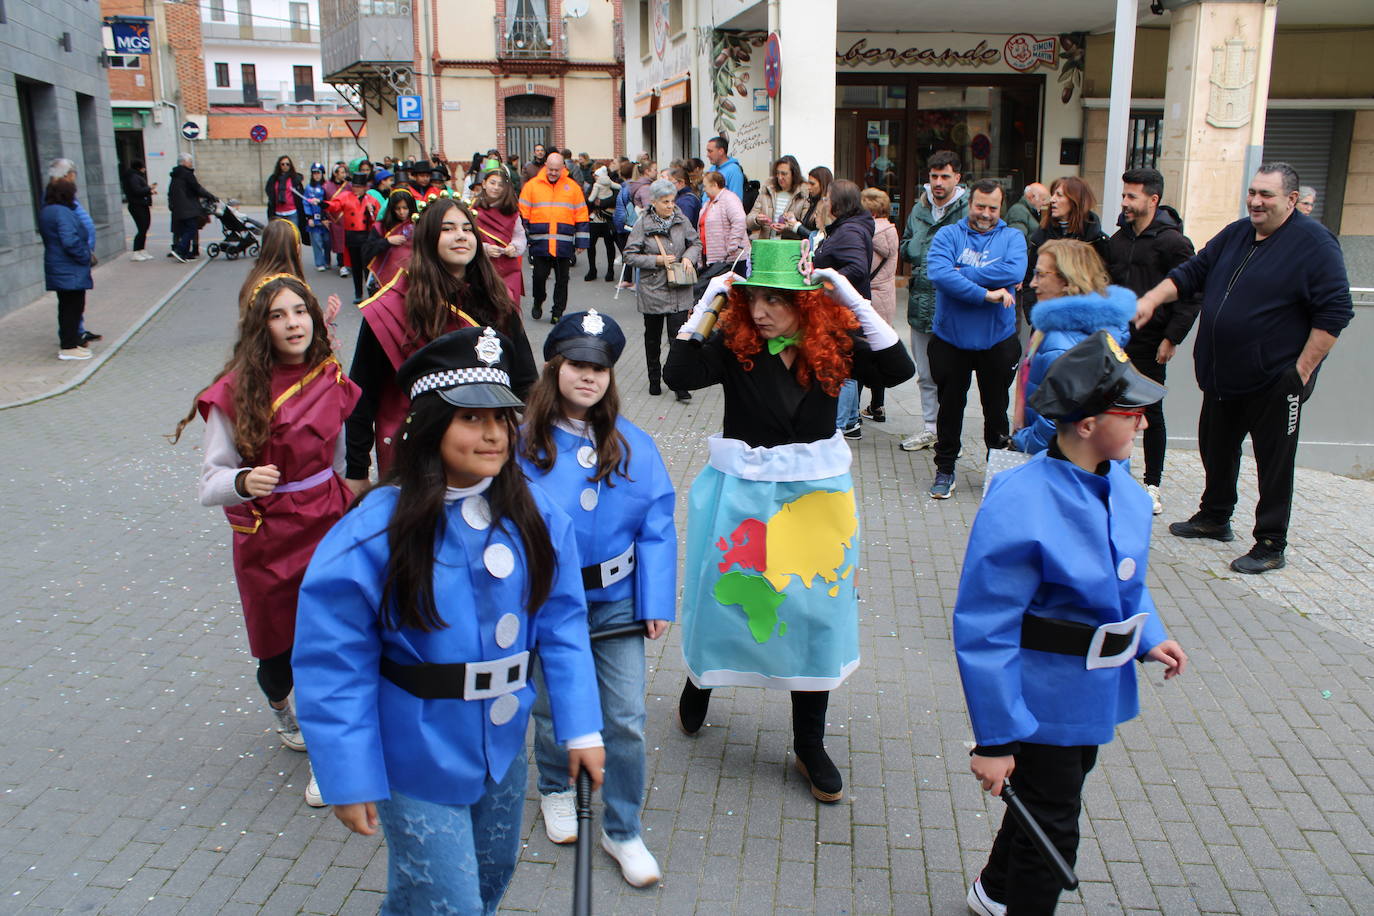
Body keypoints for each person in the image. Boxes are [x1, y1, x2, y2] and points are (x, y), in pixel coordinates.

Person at [293, 327, 605, 915]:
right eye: (471, 418)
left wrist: (581, 727)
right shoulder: (377, 528)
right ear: (433, 424)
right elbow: (333, 660)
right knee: (451, 903)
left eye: (503, 417)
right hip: (417, 748)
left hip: (501, 746)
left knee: (484, 881)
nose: (493, 433)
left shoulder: (535, 514)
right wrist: (345, 770)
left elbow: (563, 625)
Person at [664, 240, 915, 804]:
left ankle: (808, 742)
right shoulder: (735, 342)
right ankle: (702, 680)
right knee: (723, 596)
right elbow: (676, 368)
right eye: (754, 297)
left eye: (776, 300)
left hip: (815, 497)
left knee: (812, 609)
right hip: (741, 496)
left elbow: (899, 368)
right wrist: (711, 300)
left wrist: (852, 296)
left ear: (805, 302)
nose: (760, 311)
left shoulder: (834, 342)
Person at [955, 330, 1187, 916]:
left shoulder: (1124, 490)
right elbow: (986, 626)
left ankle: (995, 889)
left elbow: (1124, 584)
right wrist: (996, 738)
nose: (1143, 424)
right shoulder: (1021, 499)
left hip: (1094, 689)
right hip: (1039, 694)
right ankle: (1020, 897)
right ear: (1085, 424)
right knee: (1054, 828)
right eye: (1131, 411)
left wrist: (1150, 636)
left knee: (1050, 795)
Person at [170, 273, 360, 808]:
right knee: (280, 657)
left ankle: (332, 759)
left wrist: (352, 506)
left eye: (298, 311)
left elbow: (342, 461)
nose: (292, 323)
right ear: (261, 327)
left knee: (329, 646)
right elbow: (210, 482)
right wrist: (242, 482)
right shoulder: (235, 391)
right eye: (278, 315)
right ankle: (281, 703)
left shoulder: (329, 376)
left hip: (326, 521)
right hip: (268, 535)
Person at [1134, 162, 1354, 574]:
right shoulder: (1237, 232)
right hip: (1223, 372)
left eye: (1266, 195)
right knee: (1215, 445)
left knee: (1274, 462)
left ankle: (1271, 542)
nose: (1255, 201)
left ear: (1291, 200)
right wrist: (1150, 300)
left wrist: (1301, 371)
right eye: (1252, 192)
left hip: (1276, 378)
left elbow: (1336, 312)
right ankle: (1215, 516)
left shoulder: (1315, 244)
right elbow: (1192, 272)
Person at [519, 311, 676, 887]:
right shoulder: (521, 442)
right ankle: (557, 786)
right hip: (546, 598)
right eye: (578, 365)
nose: (589, 377)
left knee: (627, 716)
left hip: (614, 599)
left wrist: (655, 597)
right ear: (555, 367)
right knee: (550, 700)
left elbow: (657, 520)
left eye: (600, 368)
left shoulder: (633, 444)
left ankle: (623, 827)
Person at [345, 197, 537, 487]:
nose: (461, 235)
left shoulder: (498, 302)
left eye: (467, 229)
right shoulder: (390, 308)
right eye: (448, 228)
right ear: (427, 237)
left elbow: (524, 382)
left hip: (484, 451)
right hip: (414, 451)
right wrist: (357, 471)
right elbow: (362, 396)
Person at [1105, 167, 1201, 514]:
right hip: (1116, 339)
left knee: (1150, 411)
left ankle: (1152, 484)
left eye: (1132, 196)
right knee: (1111, 408)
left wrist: (1172, 337)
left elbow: (1192, 292)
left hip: (1152, 342)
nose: (1125, 203)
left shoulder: (1173, 242)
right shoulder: (1118, 239)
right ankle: (1112, 475)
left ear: (1153, 199)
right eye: (1124, 195)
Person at [925, 178, 1028, 499]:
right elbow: (939, 275)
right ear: (969, 203)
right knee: (950, 408)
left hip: (997, 341)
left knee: (996, 409)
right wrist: (987, 295)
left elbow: (1014, 272)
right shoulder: (948, 234)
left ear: (1002, 207)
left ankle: (996, 472)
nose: (985, 214)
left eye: (992, 208)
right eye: (980, 206)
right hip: (950, 340)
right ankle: (945, 469)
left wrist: (962, 273)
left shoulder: (1013, 237)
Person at [1012, 240, 1135, 454]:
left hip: (1061, 463)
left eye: (1040, 274)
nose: (1032, 283)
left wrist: (1022, 441)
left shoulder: (1061, 343)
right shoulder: (1096, 331)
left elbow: (1054, 423)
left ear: (1067, 281)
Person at [898, 151, 968, 452]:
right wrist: (917, 248)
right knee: (925, 373)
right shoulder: (919, 207)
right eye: (934, 176)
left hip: (952, 304)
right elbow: (905, 245)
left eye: (945, 176)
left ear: (957, 178)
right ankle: (930, 428)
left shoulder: (966, 209)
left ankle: (950, 436)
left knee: (951, 376)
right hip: (921, 301)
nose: (938, 183)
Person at [624, 178, 703, 401]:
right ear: (654, 202)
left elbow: (695, 243)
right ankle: (654, 379)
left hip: (679, 288)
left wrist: (688, 257)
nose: (670, 205)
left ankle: (678, 383)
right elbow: (629, 255)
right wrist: (656, 260)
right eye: (665, 202)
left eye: (672, 200)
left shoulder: (681, 218)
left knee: (678, 338)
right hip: (653, 289)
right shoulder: (643, 224)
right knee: (653, 338)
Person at [813, 180, 876, 440]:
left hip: (844, 311)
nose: (824, 202)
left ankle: (838, 426)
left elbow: (858, 268)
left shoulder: (849, 230)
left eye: (828, 198)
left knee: (844, 368)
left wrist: (828, 281)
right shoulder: (849, 226)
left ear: (838, 203)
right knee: (846, 366)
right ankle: (848, 422)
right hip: (844, 309)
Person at [1024, 176, 1110, 321]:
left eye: (1059, 195)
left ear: (1075, 200)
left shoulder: (1097, 242)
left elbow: (1106, 283)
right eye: (1053, 194)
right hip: (1046, 321)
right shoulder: (1040, 238)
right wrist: (1036, 315)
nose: (1052, 200)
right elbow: (1029, 281)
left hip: (1084, 323)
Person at [518, 152, 590, 322]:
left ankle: (557, 313)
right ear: (545, 167)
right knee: (539, 277)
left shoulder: (572, 187)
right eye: (550, 169)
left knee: (562, 280)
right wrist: (525, 238)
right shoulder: (532, 186)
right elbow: (523, 214)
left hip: (563, 244)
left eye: (557, 170)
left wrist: (581, 241)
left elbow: (581, 214)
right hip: (540, 242)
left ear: (563, 168)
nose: (553, 173)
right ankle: (538, 300)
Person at [39, 160, 96, 361]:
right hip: (68, 267)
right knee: (71, 308)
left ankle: (70, 344)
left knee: (68, 307)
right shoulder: (61, 212)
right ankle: (69, 347)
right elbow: (69, 241)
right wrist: (85, 256)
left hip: (63, 267)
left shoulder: (50, 209)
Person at [859, 187, 900, 424]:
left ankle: (852, 411)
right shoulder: (891, 231)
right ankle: (878, 406)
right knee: (879, 351)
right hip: (886, 297)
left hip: (868, 297)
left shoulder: (868, 233)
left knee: (860, 353)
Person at [470, 165, 527, 307]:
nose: (496, 188)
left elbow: (519, 235)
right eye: (492, 183)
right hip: (483, 268)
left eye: (500, 185)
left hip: (508, 267)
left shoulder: (512, 211)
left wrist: (514, 246)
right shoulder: (473, 210)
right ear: (484, 184)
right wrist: (485, 248)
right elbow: (467, 238)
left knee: (509, 308)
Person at [324, 172, 374, 304]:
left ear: (364, 187)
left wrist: (371, 210)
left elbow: (376, 218)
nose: (355, 189)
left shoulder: (370, 199)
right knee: (355, 267)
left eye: (359, 186)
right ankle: (358, 293)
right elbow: (334, 205)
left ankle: (371, 292)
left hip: (366, 236)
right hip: (352, 236)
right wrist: (323, 204)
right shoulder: (346, 196)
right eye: (354, 186)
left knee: (368, 267)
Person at [361, 189, 417, 294]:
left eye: (405, 208)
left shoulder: (418, 225)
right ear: (392, 209)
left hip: (412, 279)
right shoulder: (381, 227)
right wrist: (387, 241)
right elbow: (366, 252)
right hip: (384, 282)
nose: (401, 212)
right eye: (398, 208)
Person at [697, 171, 749, 279]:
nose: (704, 189)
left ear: (715, 185)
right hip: (713, 259)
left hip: (730, 260)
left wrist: (732, 246)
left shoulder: (729, 198)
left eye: (705, 186)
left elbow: (739, 220)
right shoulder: (708, 203)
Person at [168, 152, 216, 262]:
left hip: (178, 207)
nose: (191, 163)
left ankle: (185, 253)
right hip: (188, 207)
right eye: (190, 161)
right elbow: (197, 188)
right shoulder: (187, 174)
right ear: (184, 162)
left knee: (186, 229)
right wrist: (211, 196)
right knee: (191, 228)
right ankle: (180, 250)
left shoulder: (175, 175)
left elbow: (171, 192)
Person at [748, 155, 807, 241]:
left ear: (794, 174)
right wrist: (757, 219)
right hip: (767, 245)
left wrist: (787, 228)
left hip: (789, 248)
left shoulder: (803, 194)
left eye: (784, 174)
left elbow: (805, 228)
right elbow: (749, 220)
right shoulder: (767, 189)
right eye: (777, 173)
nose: (780, 177)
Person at [584, 160, 621, 282]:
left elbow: (615, 199)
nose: (594, 176)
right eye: (594, 173)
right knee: (591, 245)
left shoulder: (611, 184)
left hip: (608, 219)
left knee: (609, 244)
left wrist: (600, 203)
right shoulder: (592, 185)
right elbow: (588, 201)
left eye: (596, 173)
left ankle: (610, 270)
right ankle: (592, 269)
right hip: (594, 219)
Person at [785, 166, 832, 240]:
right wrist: (794, 220)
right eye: (808, 183)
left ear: (823, 185)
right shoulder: (813, 202)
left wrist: (797, 226)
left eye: (812, 184)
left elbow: (821, 237)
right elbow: (808, 226)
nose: (809, 187)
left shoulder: (826, 206)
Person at [122, 159, 156, 262]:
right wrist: (149, 188)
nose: (145, 169)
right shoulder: (133, 177)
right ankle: (136, 252)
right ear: (139, 167)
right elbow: (136, 191)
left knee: (144, 228)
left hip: (141, 205)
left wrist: (149, 191)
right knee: (142, 228)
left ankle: (142, 249)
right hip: (137, 206)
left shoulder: (135, 176)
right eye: (143, 167)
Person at [302, 163, 332, 272]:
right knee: (317, 242)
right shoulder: (309, 188)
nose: (316, 175)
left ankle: (327, 261)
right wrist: (309, 217)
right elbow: (305, 203)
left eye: (318, 173)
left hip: (326, 219)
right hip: (314, 220)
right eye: (314, 173)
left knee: (327, 241)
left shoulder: (327, 187)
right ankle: (319, 263)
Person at [265, 155, 306, 232]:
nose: (285, 166)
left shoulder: (295, 178)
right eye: (282, 164)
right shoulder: (273, 178)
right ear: (279, 165)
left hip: (292, 212)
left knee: (293, 235)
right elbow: (269, 191)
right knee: (279, 237)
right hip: (278, 213)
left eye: (287, 164)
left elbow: (300, 194)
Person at [324, 162, 351, 277]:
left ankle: (348, 263)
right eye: (342, 172)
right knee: (339, 242)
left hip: (347, 217)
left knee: (348, 242)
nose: (344, 174)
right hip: (334, 218)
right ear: (335, 174)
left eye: (345, 172)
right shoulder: (326, 186)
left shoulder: (348, 185)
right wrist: (325, 217)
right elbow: (324, 202)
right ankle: (341, 265)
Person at [702, 135, 745, 201]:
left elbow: (736, 200)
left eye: (710, 151)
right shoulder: (712, 168)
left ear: (721, 151)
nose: (707, 155)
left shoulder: (734, 171)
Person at [666, 165, 701, 232]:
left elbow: (684, 226)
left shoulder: (686, 201)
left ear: (681, 183)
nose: (669, 187)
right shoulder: (683, 197)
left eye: (671, 184)